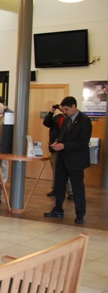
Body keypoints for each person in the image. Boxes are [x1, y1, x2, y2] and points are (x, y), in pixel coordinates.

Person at [44, 96, 92, 225]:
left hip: (76, 159)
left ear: (73, 106)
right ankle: (58, 209)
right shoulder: (66, 119)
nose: (64, 112)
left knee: (77, 187)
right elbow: (62, 135)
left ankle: (80, 214)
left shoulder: (84, 120)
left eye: (66, 109)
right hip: (62, 158)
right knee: (59, 184)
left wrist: (64, 146)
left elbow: (83, 141)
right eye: (63, 110)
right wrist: (57, 142)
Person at [43, 103, 73, 198]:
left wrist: (63, 110)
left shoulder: (71, 117)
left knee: (68, 169)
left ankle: (70, 191)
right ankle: (55, 188)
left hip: (66, 147)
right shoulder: (57, 118)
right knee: (55, 169)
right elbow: (46, 123)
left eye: (64, 108)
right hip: (55, 147)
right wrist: (52, 111)